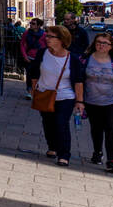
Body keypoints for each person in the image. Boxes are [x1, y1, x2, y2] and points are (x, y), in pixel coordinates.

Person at [26, 25, 85, 167]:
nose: (47, 39)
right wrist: (33, 90)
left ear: (61, 40)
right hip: (44, 94)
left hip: (65, 97)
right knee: (48, 124)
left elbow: (78, 81)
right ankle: (52, 147)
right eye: (47, 36)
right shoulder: (42, 53)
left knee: (61, 124)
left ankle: (64, 155)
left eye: (51, 37)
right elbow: (34, 72)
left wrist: (79, 101)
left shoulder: (73, 59)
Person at [80, 31, 113, 174]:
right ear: (94, 44)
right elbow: (79, 80)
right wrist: (79, 100)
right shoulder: (86, 59)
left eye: (105, 43)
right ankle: (97, 152)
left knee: (111, 129)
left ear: (111, 46)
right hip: (91, 101)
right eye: (98, 42)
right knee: (96, 128)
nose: (101, 45)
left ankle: (111, 161)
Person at [19, 18, 45, 99]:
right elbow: (22, 45)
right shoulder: (26, 33)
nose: (31, 25)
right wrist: (25, 56)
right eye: (31, 23)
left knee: (39, 76)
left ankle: (36, 91)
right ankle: (30, 91)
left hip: (40, 59)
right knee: (29, 76)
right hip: (29, 58)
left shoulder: (44, 35)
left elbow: (46, 46)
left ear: (39, 25)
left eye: (33, 23)